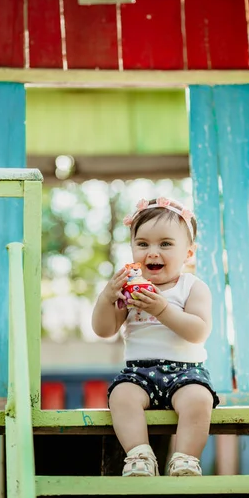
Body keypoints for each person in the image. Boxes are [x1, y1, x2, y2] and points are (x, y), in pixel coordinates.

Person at [92, 197, 219, 477]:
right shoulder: (130, 288)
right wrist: (106, 298)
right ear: (132, 248)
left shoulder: (191, 287)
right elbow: (104, 329)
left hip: (185, 373)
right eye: (143, 244)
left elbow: (198, 331)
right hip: (138, 373)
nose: (152, 252)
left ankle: (185, 459)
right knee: (121, 396)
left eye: (165, 244)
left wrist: (162, 309)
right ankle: (139, 455)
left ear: (188, 253)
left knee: (199, 399)